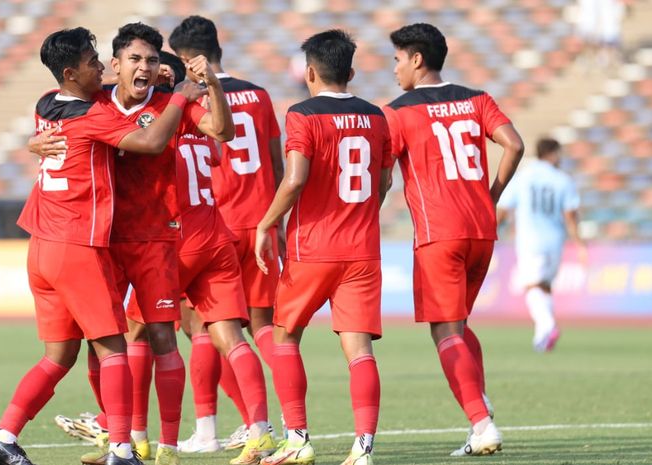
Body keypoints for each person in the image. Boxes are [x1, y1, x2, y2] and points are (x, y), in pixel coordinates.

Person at [0, 26, 204, 465]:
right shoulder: (92, 115)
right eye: (91, 61)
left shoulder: (48, 103)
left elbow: (83, 97)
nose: (100, 66)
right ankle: (122, 449)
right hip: (76, 244)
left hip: (41, 243)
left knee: (59, 354)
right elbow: (152, 141)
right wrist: (182, 96)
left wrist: (30, 143)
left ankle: (3, 434)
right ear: (70, 71)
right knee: (114, 347)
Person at [382, 23, 524, 456]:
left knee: (444, 330)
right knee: (457, 325)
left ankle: (481, 423)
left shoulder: (397, 112)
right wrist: (492, 195)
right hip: (482, 230)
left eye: (398, 60)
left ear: (417, 59)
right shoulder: (477, 99)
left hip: (439, 232)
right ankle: (479, 409)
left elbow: (383, 175)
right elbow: (514, 145)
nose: (395, 69)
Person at [254, 29, 393, 465]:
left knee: (285, 337)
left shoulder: (303, 113)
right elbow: (385, 181)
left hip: (313, 247)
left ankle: (297, 439)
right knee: (359, 351)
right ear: (351, 71)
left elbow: (294, 179)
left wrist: (266, 222)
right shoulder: (376, 117)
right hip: (362, 250)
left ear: (310, 72)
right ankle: (363, 449)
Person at [168, 15, 285, 451]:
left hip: (211, 225)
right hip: (260, 221)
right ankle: (287, 423)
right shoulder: (259, 94)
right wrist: (278, 223)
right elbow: (275, 163)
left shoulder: (191, 97)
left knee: (201, 326)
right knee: (264, 327)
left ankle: (208, 430)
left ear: (185, 58)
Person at [497, 137, 586, 352]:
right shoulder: (563, 179)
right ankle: (542, 337)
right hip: (555, 240)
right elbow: (571, 215)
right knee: (544, 285)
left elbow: (504, 207)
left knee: (531, 285)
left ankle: (547, 325)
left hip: (530, 239)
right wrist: (579, 243)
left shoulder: (523, 177)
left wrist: (491, 230)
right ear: (553, 154)